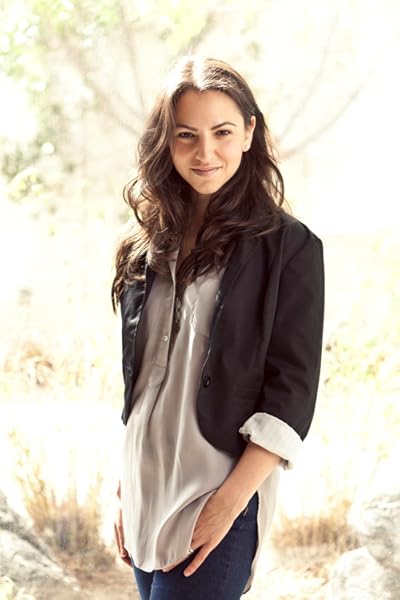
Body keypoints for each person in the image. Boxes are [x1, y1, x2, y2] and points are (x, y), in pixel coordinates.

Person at [112, 56, 324, 600]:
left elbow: (291, 391)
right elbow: (142, 383)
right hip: (144, 493)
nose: (205, 153)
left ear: (249, 132)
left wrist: (229, 506)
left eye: (223, 132)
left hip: (216, 494)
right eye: (186, 135)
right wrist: (124, 487)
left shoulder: (289, 248)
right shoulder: (145, 247)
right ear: (166, 141)